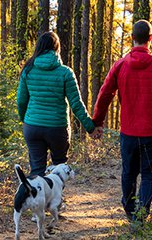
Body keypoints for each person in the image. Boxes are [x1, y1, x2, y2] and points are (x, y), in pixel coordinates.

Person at [91, 20, 152, 221]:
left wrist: (97, 121)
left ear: (132, 38)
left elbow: (104, 94)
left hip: (128, 133)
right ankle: (140, 217)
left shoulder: (120, 65)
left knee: (129, 173)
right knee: (149, 175)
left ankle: (129, 210)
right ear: (150, 39)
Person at [16, 31, 95, 177]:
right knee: (59, 170)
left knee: (36, 171)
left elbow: (21, 100)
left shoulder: (28, 70)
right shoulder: (65, 73)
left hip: (32, 126)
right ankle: (54, 200)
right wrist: (90, 127)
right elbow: (76, 104)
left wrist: (24, 119)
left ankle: (38, 199)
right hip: (57, 129)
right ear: (57, 48)